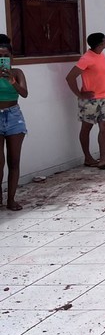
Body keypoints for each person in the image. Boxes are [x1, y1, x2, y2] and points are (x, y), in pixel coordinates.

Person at [65, 32, 105, 170]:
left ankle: (103, 160)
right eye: (104, 39)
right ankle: (88, 158)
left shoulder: (101, 55)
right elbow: (70, 77)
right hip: (90, 101)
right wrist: (79, 94)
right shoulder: (86, 58)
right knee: (86, 128)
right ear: (100, 44)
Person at [0, 36, 28, 210]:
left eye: (5, 55)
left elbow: (24, 93)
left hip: (13, 116)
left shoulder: (17, 73)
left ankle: (11, 199)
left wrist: (12, 81)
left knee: (14, 161)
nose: (2, 58)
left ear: (11, 57)